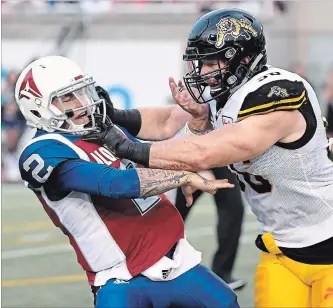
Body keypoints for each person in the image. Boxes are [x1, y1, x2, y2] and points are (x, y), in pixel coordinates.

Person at [83, 8, 333, 307]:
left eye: (211, 63)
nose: (202, 73)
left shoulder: (277, 95)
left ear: (242, 59)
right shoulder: (227, 94)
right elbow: (166, 122)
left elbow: (203, 151)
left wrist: (125, 146)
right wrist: (113, 117)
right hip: (281, 250)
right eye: (200, 64)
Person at [15, 56, 240, 308]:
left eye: (81, 92)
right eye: (68, 97)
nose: (82, 103)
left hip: (177, 260)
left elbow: (155, 156)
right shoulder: (42, 151)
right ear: (38, 107)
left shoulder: (101, 128)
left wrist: (195, 129)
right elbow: (116, 184)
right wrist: (184, 176)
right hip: (121, 279)